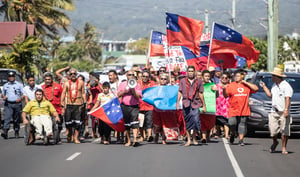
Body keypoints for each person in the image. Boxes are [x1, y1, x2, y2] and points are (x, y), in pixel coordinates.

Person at [260, 67, 293, 154]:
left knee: (284, 131)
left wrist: (286, 109)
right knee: (272, 131)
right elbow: (270, 96)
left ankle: (284, 147)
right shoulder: (274, 86)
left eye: (273, 76)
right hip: (274, 111)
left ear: (278, 77)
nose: (272, 78)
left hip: (283, 111)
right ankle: (275, 141)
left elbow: (287, 98)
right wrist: (264, 87)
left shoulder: (286, 86)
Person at [223, 69, 258, 146]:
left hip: (244, 109)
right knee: (232, 123)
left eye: (238, 76)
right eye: (236, 76)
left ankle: (241, 140)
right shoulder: (231, 85)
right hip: (233, 109)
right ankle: (232, 133)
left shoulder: (247, 85)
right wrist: (224, 89)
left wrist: (245, 83)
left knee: (242, 124)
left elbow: (256, 89)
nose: (236, 77)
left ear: (242, 77)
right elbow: (225, 95)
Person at [177, 66, 206, 146]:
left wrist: (204, 105)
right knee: (187, 122)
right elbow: (180, 92)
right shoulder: (182, 81)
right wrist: (177, 102)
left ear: (194, 72)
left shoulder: (199, 81)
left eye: (192, 71)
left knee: (196, 120)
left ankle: (194, 138)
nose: (190, 72)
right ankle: (189, 139)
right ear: (187, 72)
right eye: (189, 71)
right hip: (186, 103)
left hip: (195, 103)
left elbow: (201, 93)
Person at [61, 68, 86, 144]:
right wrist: (62, 104)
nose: (73, 75)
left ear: (76, 75)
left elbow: (83, 93)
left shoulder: (81, 82)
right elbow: (63, 93)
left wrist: (85, 103)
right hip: (69, 104)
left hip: (78, 104)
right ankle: (70, 134)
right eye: (71, 74)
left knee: (78, 123)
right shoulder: (66, 83)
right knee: (68, 122)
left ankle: (76, 138)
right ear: (69, 75)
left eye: (74, 74)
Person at [117, 70, 142, 147]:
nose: (130, 76)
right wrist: (125, 90)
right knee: (127, 124)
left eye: (132, 75)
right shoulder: (122, 84)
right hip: (125, 106)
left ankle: (135, 139)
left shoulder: (137, 85)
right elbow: (118, 95)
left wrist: (133, 90)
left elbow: (138, 96)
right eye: (129, 75)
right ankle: (128, 140)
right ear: (126, 76)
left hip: (134, 106)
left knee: (134, 123)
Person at [41, 72, 63, 143]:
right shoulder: (41, 87)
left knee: (59, 125)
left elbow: (62, 96)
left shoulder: (58, 86)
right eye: (46, 79)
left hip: (57, 109)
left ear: (52, 79)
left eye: (49, 79)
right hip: (46, 110)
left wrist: (63, 107)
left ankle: (57, 136)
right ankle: (47, 135)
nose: (47, 81)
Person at [1, 71, 23, 139]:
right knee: (7, 118)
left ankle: (16, 131)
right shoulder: (6, 85)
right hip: (8, 104)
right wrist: (4, 97)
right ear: (8, 78)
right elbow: (3, 94)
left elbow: (23, 94)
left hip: (17, 104)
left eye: (12, 76)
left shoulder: (19, 85)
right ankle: (5, 132)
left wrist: (20, 98)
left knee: (16, 119)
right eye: (10, 77)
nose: (11, 78)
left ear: (14, 77)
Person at [138, 69, 156, 142]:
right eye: (143, 76)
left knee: (149, 121)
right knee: (141, 122)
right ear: (141, 76)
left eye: (146, 76)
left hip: (149, 106)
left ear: (149, 77)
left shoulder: (152, 83)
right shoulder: (138, 83)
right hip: (140, 105)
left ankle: (149, 136)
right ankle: (142, 136)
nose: (145, 78)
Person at [200, 70, 217, 143]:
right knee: (203, 122)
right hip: (202, 106)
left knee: (210, 123)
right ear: (202, 77)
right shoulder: (200, 85)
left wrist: (217, 90)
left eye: (208, 76)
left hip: (211, 106)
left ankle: (207, 136)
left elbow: (217, 96)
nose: (207, 78)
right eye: (206, 76)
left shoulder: (213, 85)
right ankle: (203, 137)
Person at [215, 72, 231, 139]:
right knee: (217, 119)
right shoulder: (217, 86)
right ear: (220, 79)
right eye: (222, 78)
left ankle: (226, 134)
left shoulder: (230, 86)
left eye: (226, 78)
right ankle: (218, 133)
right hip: (218, 104)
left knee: (226, 120)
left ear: (228, 79)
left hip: (227, 104)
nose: (224, 79)